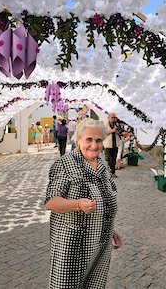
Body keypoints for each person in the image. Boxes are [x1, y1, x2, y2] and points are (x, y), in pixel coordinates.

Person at [45, 118, 123, 288]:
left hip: (101, 243)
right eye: (88, 139)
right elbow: (51, 202)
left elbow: (105, 199)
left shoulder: (102, 165)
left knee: (95, 285)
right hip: (73, 246)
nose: (94, 145)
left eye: (98, 140)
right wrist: (78, 204)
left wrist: (110, 227)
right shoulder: (64, 164)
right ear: (78, 139)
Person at [103, 113, 122, 177]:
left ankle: (113, 172)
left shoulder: (117, 125)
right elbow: (104, 134)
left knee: (114, 159)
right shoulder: (105, 125)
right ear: (108, 118)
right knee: (109, 159)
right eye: (112, 117)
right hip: (108, 145)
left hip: (115, 144)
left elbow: (120, 133)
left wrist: (118, 132)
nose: (114, 119)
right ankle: (109, 173)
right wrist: (112, 131)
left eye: (114, 118)